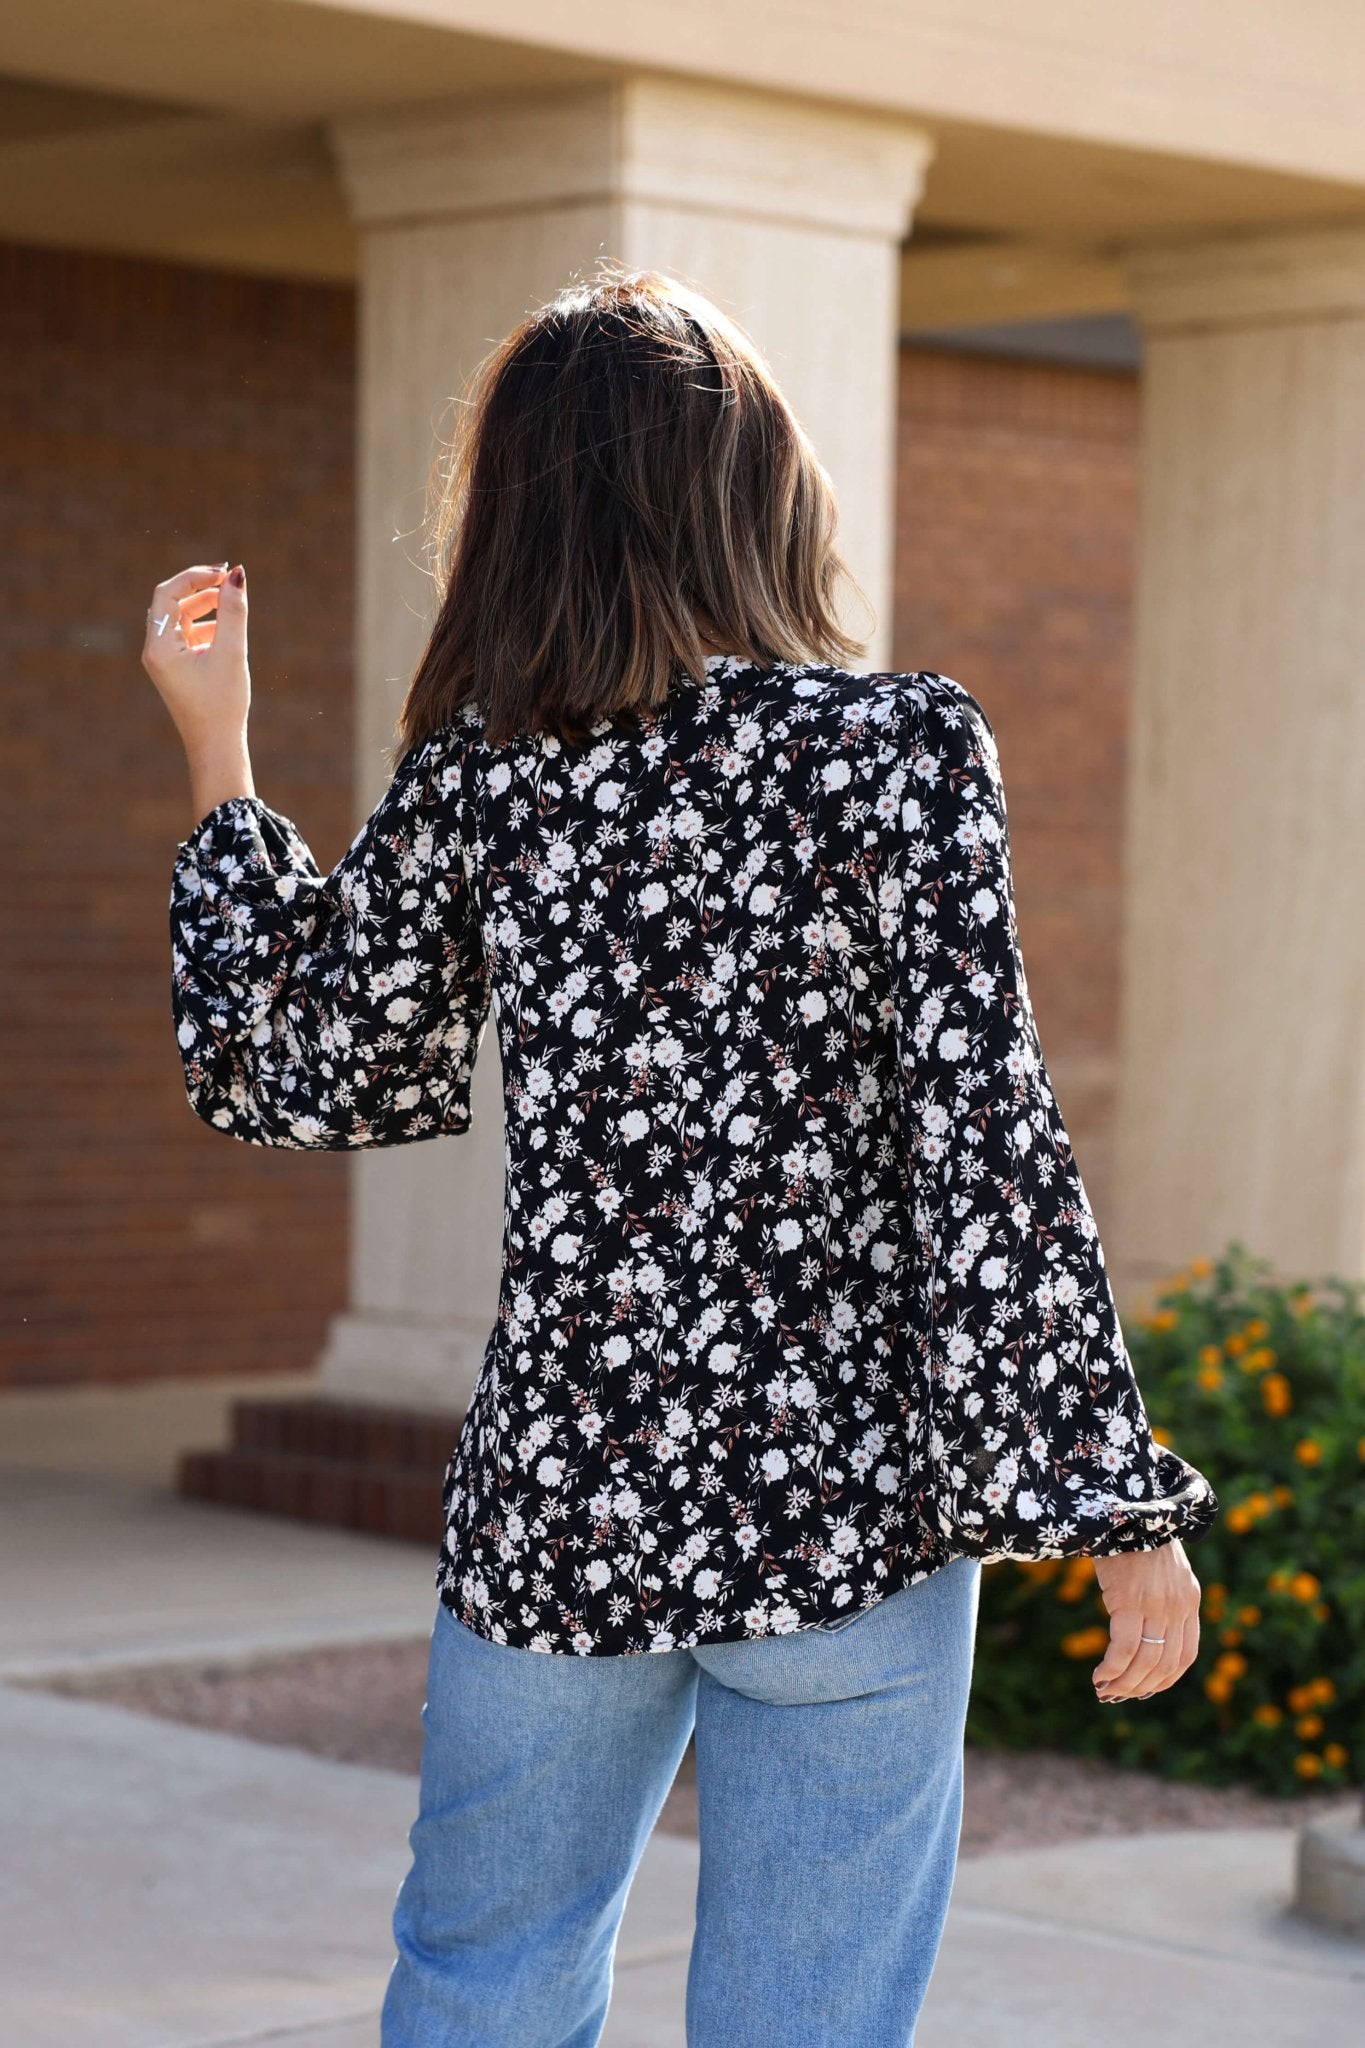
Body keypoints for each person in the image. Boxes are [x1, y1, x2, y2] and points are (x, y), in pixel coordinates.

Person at [143, 264, 1218, 2048]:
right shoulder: (898, 754)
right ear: (752, 487)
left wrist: (219, 759)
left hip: (562, 1502)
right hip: (843, 1514)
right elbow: (986, 1148)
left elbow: (314, 1070)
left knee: (485, 1977)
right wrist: (1113, 1505)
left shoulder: (485, 767)